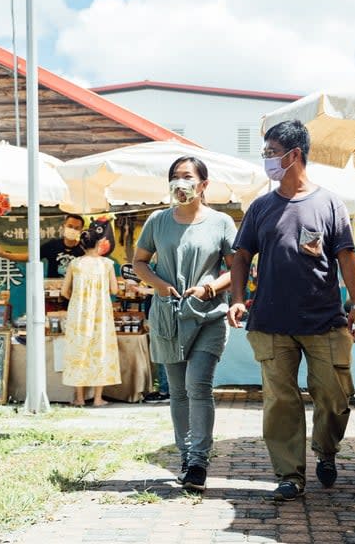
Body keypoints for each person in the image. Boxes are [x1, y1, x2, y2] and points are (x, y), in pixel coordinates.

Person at [227, 119, 355, 502]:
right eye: (265, 153)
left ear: (294, 155)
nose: (266, 161)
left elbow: (347, 257)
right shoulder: (260, 207)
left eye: (271, 153)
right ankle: (289, 474)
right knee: (280, 402)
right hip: (271, 322)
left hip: (325, 320)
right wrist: (238, 299)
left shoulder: (329, 203)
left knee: (336, 397)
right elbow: (240, 256)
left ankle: (326, 450)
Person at [133, 155, 236, 493]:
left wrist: (210, 288)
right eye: (175, 177)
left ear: (203, 184)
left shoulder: (221, 222)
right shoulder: (157, 221)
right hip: (168, 315)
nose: (181, 183)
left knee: (198, 385)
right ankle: (186, 455)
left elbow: (237, 268)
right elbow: (140, 261)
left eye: (188, 177)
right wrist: (159, 285)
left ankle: (199, 462)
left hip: (207, 315)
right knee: (177, 391)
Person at [60, 221, 120, 407]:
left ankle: (79, 398)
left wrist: (77, 299)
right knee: (100, 351)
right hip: (101, 313)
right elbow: (115, 289)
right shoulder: (107, 264)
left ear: (81, 245)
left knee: (80, 351)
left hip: (78, 313)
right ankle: (97, 398)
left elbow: (64, 291)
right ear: (99, 244)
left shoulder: (75, 264)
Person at [0, 213, 86, 278]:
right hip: (54, 295)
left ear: (81, 230)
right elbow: (29, 257)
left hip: (76, 294)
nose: (72, 230)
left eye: (76, 228)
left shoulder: (84, 248)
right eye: (70, 226)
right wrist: (3, 254)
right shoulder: (52, 245)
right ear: (64, 226)